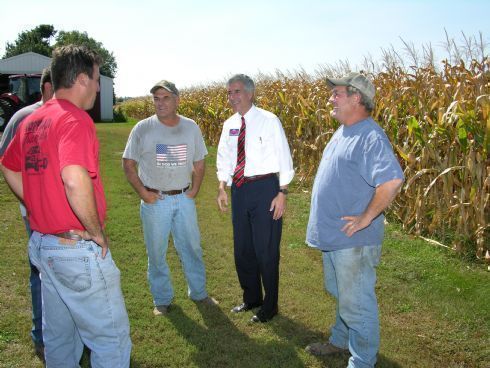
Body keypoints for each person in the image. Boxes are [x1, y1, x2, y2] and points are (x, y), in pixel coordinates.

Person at [0, 45, 132, 367]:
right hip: (75, 249)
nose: (99, 88)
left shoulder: (34, 119)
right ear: (83, 79)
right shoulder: (75, 119)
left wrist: (35, 202)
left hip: (43, 245)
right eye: (98, 79)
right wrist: (95, 232)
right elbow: (74, 178)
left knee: (59, 342)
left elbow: (8, 165)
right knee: (111, 342)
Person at [304, 72, 404, 368]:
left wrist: (365, 218)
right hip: (336, 237)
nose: (330, 99)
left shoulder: (370, 135)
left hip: (353, 241)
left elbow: (392, 180)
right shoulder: (345, 129)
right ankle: (339, 340)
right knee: (342, 295)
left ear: (356, 97)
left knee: (357, 304)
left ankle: (361, 361)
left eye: (337, 94)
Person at [123, 80, 217, 316]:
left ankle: (199, 293)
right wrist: (144, 193)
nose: (160, 103)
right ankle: (162, 299)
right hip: (157, 202)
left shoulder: (190, 127)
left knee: (192, 248)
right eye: (156, 98)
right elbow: (128, 163)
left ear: (177, 100)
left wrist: (194, 190)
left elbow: (199, 160)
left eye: (165, 98)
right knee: (156, 252)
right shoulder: (143, 128)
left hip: (184, 198)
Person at [216, 74, 294, 323]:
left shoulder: (269, 121)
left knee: (266, 250)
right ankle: (252, 298)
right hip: (239, 190)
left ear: (250, 93)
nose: (232, 97)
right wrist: (221, 187)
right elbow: (225, 158)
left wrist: (282, 193)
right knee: (243, 250)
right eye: (229, 93)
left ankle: (270, 306)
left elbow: (284, 158)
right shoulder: (229, 124)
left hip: (265, 190)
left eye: (236, 92)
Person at [0, 67, 53, 359]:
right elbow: (7, 163)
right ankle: (41, 336)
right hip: (35, 215)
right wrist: (32, 203)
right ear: (47, 88)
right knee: (40, 274)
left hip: (59, 215)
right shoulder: (24, 117)